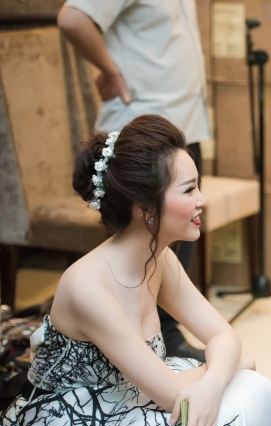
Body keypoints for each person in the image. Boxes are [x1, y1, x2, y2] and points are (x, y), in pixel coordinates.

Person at [0, 115, 271, 426]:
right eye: (189, 189)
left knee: (259, 391)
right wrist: (230, 366)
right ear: (145, 206)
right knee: (224, 425)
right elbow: (172, 393)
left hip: (134, 396)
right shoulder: (86, 286)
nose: (202, 200)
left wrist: (216, 379)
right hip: (78, 423)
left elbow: (223, 335)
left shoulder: (161, 259)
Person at [57, 0, 210, 360]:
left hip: (183, 119)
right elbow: (73, 18)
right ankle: (138, 338)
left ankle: (163, 331)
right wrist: (111, 72)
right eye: (192, 189)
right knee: (141, 242)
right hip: (145, 126)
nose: (202, 197)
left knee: (170, 243)